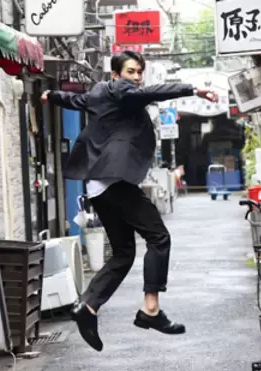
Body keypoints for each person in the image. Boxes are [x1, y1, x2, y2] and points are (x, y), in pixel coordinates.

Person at [41, 51, 218, 352]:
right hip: (115, 180)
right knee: (158, 237)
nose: (136, 78)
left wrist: (51, 95)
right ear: (116, 75)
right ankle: (151, 308)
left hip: (99, 185)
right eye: (130, 71)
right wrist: (193, 89)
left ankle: (88, 306)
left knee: (123, 253)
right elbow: (153, 92)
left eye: (139, 72)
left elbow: (75, 100)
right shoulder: (123, 91)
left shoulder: (99, 92)